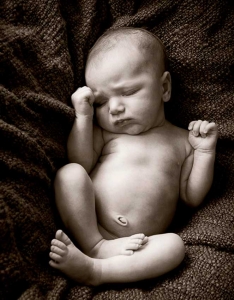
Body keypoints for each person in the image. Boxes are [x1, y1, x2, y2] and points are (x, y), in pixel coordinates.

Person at [49, 27, 218, 285]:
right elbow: (81, 163)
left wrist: (205, 151)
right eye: (101, 102)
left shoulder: (183, 141)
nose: (115, 108)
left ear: (164, 88)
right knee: (69, 174)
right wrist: (84, 118)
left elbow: (191, 196)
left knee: (174, 246)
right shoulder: (106, 134)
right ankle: (95, 246)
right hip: (90, 224)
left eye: (127, 93)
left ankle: (97, 271)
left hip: (139, 245)